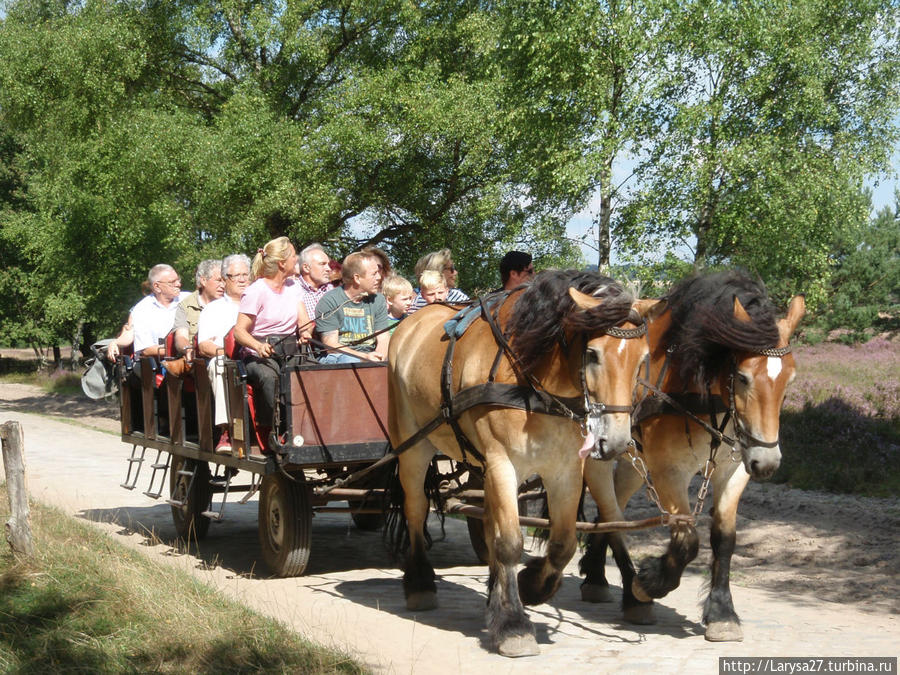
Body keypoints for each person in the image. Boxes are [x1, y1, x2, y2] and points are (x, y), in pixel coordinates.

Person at [233, 237, 312, 441]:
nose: (297, 259)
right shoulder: (256, 291)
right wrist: (258, 346)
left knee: (315, 371)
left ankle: (310, 427)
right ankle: (276, 431)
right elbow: (239, 331)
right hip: (258, 356)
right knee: (271, 378)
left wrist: (305, 333)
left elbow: (303, 321)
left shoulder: (294, 287)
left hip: (289, 351)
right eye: (294, 255)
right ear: (281, 263)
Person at [196, 254, 251, 454]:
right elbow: (203, 346)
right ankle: (226, 431)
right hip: (227, 360)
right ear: (225, 279)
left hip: (255, 356)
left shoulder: (257, 304)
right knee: (220, 364)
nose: (243, 279)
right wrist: (228, 352)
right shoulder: (213, 309)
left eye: (246, 274)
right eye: (236, 275)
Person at [315, 251, 390, 363]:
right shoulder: (330, 301)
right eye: (374, 274)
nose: (379, 277)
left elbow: (384, 338)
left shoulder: (378, 300)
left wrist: (379, 358)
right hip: (338, 358)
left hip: (370, 355)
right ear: (357, 278)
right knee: (348, 360)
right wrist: (364, 358)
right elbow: (331, 346)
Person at [131, 264, 190, 359]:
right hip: (156, 363)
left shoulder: (189, 299)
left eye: (178, 280)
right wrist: (181, 350)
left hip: (189, 358)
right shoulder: (142, 310)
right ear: (157, 287)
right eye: (172, 282)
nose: (178, 284)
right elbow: (146, 350)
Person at [173, 259, 225, 356]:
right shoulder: (186, 305)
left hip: (226, 357)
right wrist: (188, 350)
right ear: (203, 281)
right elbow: (181, 337)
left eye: (224, 281)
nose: (223, 285)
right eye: (218, 280)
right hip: (197, 360)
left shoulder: (230, 303)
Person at [296, 243, 334, 322]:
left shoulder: (331, 289)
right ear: (306, 268)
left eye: (328, 264)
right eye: (322, 264)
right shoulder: (293, 290)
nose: (328, 269)